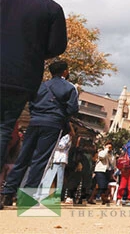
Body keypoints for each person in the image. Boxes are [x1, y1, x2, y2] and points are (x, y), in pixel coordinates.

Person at [0, 0, 68, 196]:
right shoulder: (52, 8)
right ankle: (15, 195)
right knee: (3, 129)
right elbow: (57, 46)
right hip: (20, 77)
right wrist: (34, 51)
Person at [0, 60, 78, 206]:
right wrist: (61, 116)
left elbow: (31, 103)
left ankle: (7, 193)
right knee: (40, 160)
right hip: (53, 125)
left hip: (34, 122)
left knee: (23, 157)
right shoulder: (69, 88)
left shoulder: (40, 86)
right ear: (65, 71)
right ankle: (26, 198)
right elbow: (73, 109)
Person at [37, 123, 74, 202]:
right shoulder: (64, 136)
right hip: (56, 159)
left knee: (57, 178)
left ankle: (55, 196)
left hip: (59, 159)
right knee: (52, 177)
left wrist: (53, 142)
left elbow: (61, 146)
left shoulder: (66, 136)